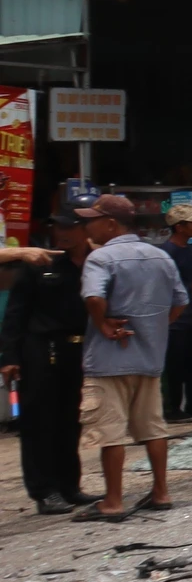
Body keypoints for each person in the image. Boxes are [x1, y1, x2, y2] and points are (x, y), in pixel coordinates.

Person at [73, 194, 189, 520]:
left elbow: (94, 297)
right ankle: (161, 492)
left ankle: (112, 501)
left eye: (90, 220)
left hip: (109, 360)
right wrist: (153, 327)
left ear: (111, 223)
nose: (85, 226)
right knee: (153, 428)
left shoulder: (101, 258)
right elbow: (180, 302)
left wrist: (103, 323)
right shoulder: (160, 256)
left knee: (111, 432)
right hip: (149, 359)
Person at [0, 211, 98, 513]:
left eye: (70, 227)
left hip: (77, 350)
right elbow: (15, 313)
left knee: (69, 421)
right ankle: (44, 491)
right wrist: (9, 357)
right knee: (39, 421)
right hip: (40, 349)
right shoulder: (39, 263)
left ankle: (70, 486)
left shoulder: (96, 262)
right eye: (58, 227)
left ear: (85, 230)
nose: (63, 234)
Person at [159, 202, 192, 422]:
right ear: (180, 227)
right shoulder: (167, 252)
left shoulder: (188, 250)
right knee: (175, 366)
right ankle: (172, 410)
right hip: (173, 318)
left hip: (189, 315)